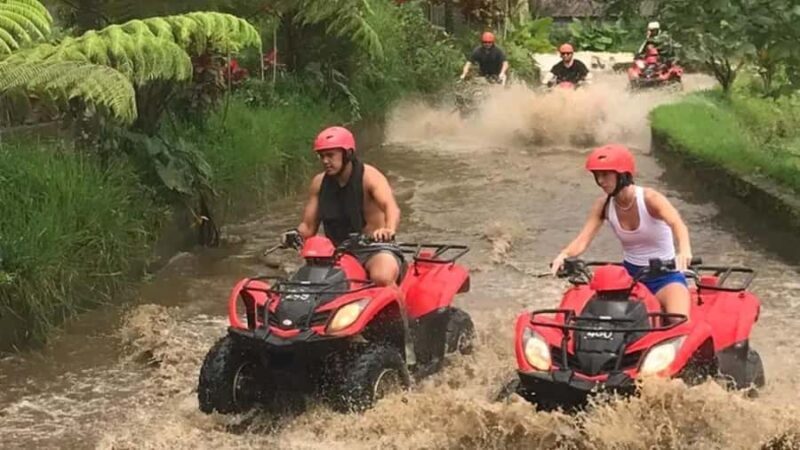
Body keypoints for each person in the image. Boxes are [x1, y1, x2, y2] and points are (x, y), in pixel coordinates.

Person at [549, 144, 693, 320]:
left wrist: (684, 251)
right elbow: (583, 239)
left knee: (679, 320)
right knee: (606, 322)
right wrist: (564, 255)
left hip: (666, 276)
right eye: (597, 176)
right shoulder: (603, 205)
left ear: (623, 175)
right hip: (630, 278)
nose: (600, 181)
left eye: (605, 175)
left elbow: (678, 224)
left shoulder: (650, 199)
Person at [281, 126, 403, 287]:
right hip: (337, 253)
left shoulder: (370, 177)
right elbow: (308, 227)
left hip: (374, 249)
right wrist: (293, 235)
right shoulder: (318, 183)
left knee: (382, 277)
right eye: (322, 156)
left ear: (347, 154)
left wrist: (388, 229)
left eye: (330, 155)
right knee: (305, 284)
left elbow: (391, 208)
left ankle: (400, 310)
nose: (325, 161)